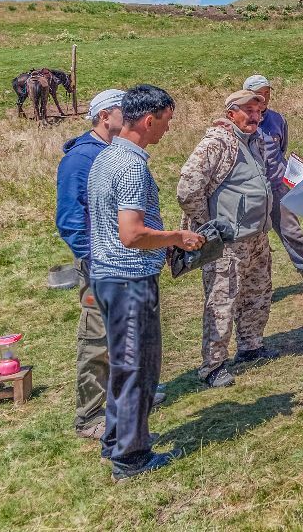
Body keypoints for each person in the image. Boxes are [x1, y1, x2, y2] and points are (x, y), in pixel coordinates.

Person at [88, 84, 203, 480]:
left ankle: (115, 439)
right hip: (129, 280)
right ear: (149, 119)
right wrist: (175, 237)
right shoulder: (133, 166)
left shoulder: (105, 157)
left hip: (106, 277)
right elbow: (132, 234)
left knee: (122, 363)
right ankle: (131, 457)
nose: (168, 130)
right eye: (167, 122)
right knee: (139, 366)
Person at [177, 89, 277, 388]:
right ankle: (213, 365)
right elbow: (187, 188)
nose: (255, 117)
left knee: (257, 293)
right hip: (228, 242)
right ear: (231, 112)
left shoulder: (254, 140)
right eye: (249, 111)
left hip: (256, 237)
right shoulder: (217, 142)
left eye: (259, 111)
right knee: (222, 301)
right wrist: (208, 226)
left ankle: (250, 346)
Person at [55, 88, 126, 440]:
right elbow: (69, 219)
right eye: (123, 112)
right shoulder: (80, 159)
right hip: (99, 263)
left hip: (121, 259)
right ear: (104, 117)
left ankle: (121, 398)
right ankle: (90, 416)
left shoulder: (113, 151)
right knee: (97, 336)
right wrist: (94, 258)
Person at [242, 74, 303, 302]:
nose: (263, 99)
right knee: (247, 240)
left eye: (267, 93)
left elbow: (281, 150)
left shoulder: (277, 120)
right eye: (258, 94)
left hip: (277, 188)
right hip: (248, 192)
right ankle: (249, 290)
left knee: (293, 233)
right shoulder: (240, 121)